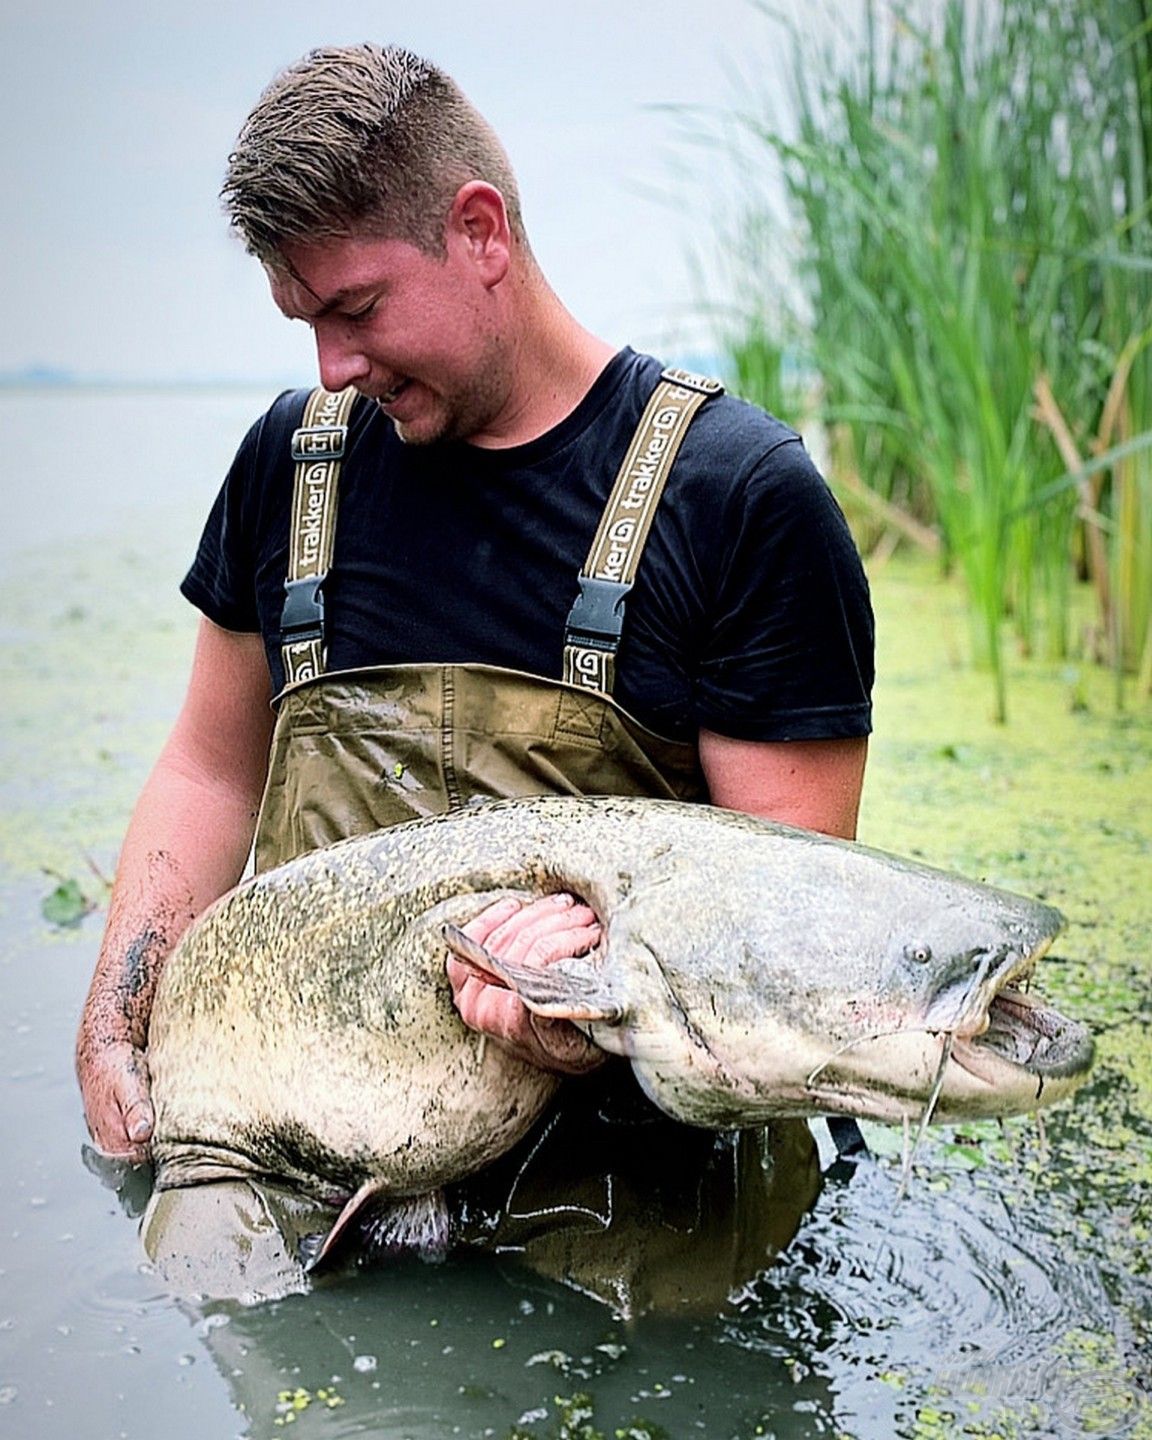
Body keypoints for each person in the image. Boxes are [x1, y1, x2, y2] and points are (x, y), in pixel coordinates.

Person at [75, 44, 873, 1280]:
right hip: (311, 1179)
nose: (332, 367)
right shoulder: (290, 469)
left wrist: (589, 1027)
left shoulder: (738, 500)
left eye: (357, 309)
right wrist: (119, 1017)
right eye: (305, 322)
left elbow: (787, 950)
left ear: (481, 231)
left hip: (633, 1228)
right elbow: (210, 770)